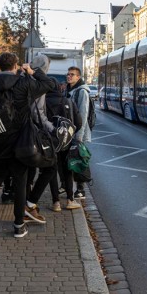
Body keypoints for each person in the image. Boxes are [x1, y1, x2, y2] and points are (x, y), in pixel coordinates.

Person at [0, 52, 55, 238]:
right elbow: (50, 85)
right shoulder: (23, 83)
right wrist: (33, 72)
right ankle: (19, 225)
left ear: (0, 66)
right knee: (20, 182)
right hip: (21, 142)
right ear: (16, 66)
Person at [24, 54, 59, 222]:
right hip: (32, 133)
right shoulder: (40, 85)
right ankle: (29, 205)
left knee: (23, 171)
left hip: (16, 131)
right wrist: (51, 129)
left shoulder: (22, 78)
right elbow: (38, 113)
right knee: (50, 166)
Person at [46, 78, 82, 211]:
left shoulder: (43, 102)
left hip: (49, 142)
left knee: (51, 170)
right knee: (67, 171)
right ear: (59, 88)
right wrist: (70, 134)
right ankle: (70, 200)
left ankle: (56, 202)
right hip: (65, 141)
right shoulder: (68, 101)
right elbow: (78, 122)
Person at [65, 66, 91, 201]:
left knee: (78, 158)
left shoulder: (82, 92)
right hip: (69, 131)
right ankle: (67, 185)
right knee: (70, 159)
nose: (69, 76)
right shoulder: (69, 90)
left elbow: (83, 114)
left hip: (77, 132)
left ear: (78, 77)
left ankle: (80, 189)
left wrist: (79, 136)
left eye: (72, 74)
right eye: (68, 74)